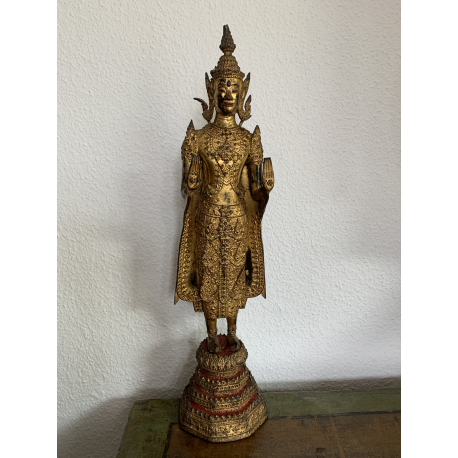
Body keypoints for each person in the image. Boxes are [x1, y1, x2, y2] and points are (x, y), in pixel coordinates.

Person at [175, 25, 274, 353]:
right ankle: (210, 333)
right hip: (207, 215)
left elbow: (256, 189)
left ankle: (231, 330)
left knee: (233, 271)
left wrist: (266, 186)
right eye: (222, 87)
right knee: (208, 270)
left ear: (242, 92)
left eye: (233, 87)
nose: (227, 94)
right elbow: (189, 186)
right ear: (212, 90)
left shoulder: (248, 139)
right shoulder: (200, 137)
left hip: (237, 218)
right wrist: (190, 172)